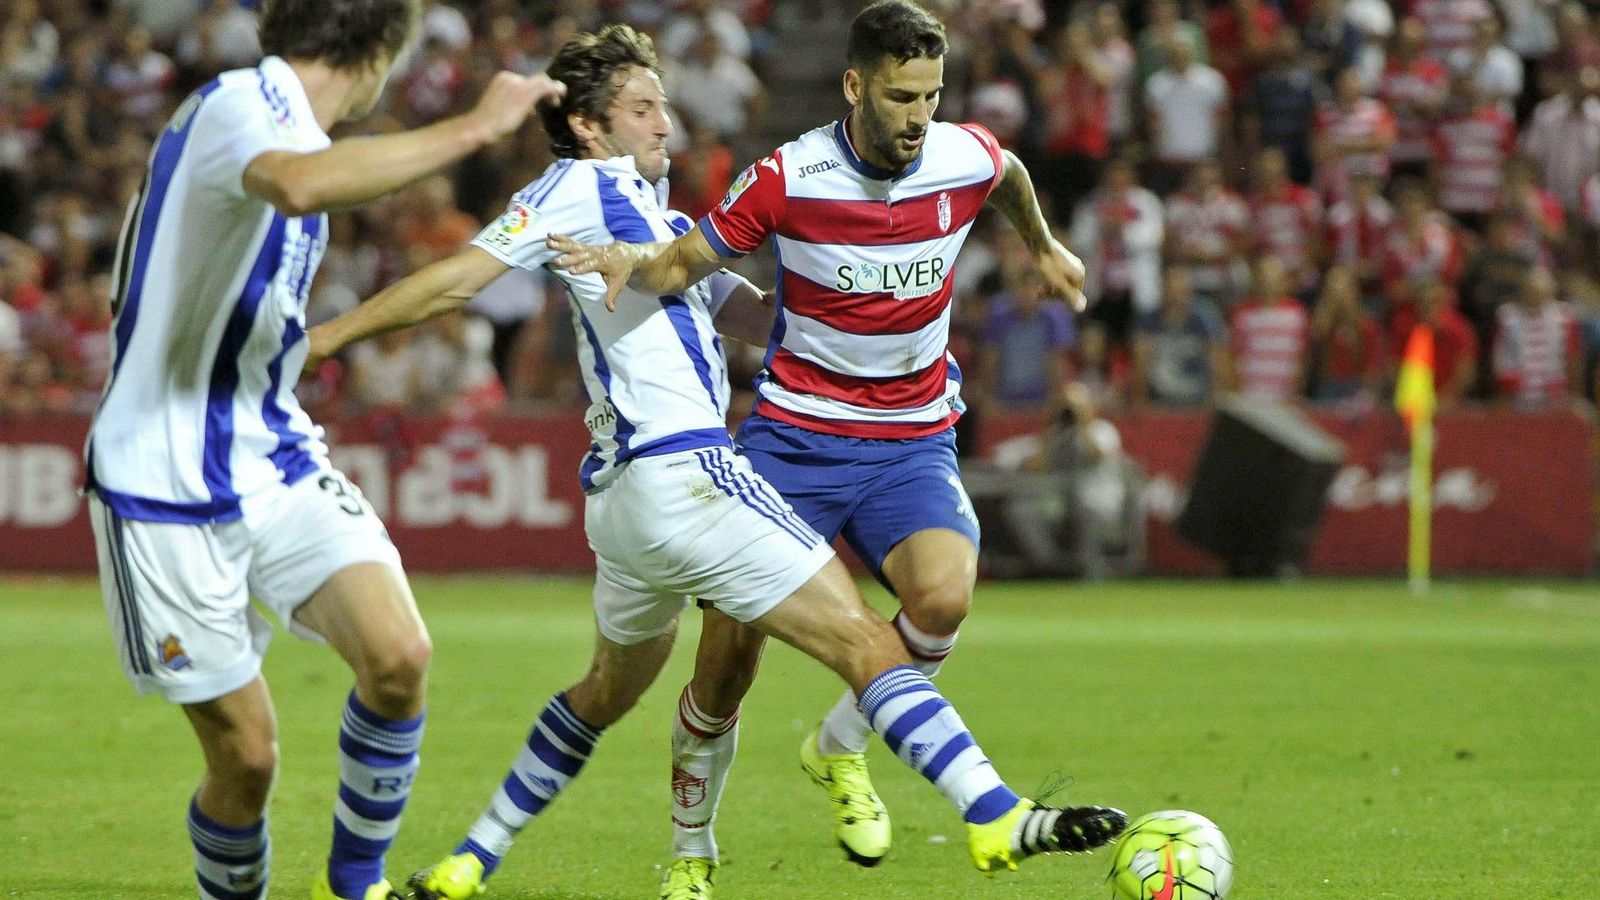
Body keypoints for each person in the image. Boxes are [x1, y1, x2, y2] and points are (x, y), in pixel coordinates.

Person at [302, 21, 1127, 900]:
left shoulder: (657, 218)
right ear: (586, 125)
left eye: (664, 105)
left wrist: (866, 296)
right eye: (642, 108)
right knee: (860, 640)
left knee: (603, 694)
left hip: (624, 506)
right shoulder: (576, 187)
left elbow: (748, 311)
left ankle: (473, 858)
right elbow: (459, 278)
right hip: (687, 474)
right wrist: (323, 338)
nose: (667, 123)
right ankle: (995, 810)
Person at [548, 0, 1113, 886]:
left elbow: (1007, 172)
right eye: (900, 97)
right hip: (795, 441)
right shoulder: (788, 176)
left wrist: (1043, 246)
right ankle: (692, 851)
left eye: (930, 95)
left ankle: (839, 746)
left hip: (911, 438)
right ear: (855, 86)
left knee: (944, 599)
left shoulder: (960, 154)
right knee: (726, 665)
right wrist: (634, 264)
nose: (918, 117)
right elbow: (690, 262)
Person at [80, 1, 565, 897]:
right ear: (383, 49)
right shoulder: (239, 103)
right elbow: (297, 185)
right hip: (160, 476)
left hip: (271, 447)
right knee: (248, 759)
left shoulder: (297, 131)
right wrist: (474, 128)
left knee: (399, 656)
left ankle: (353, 886)